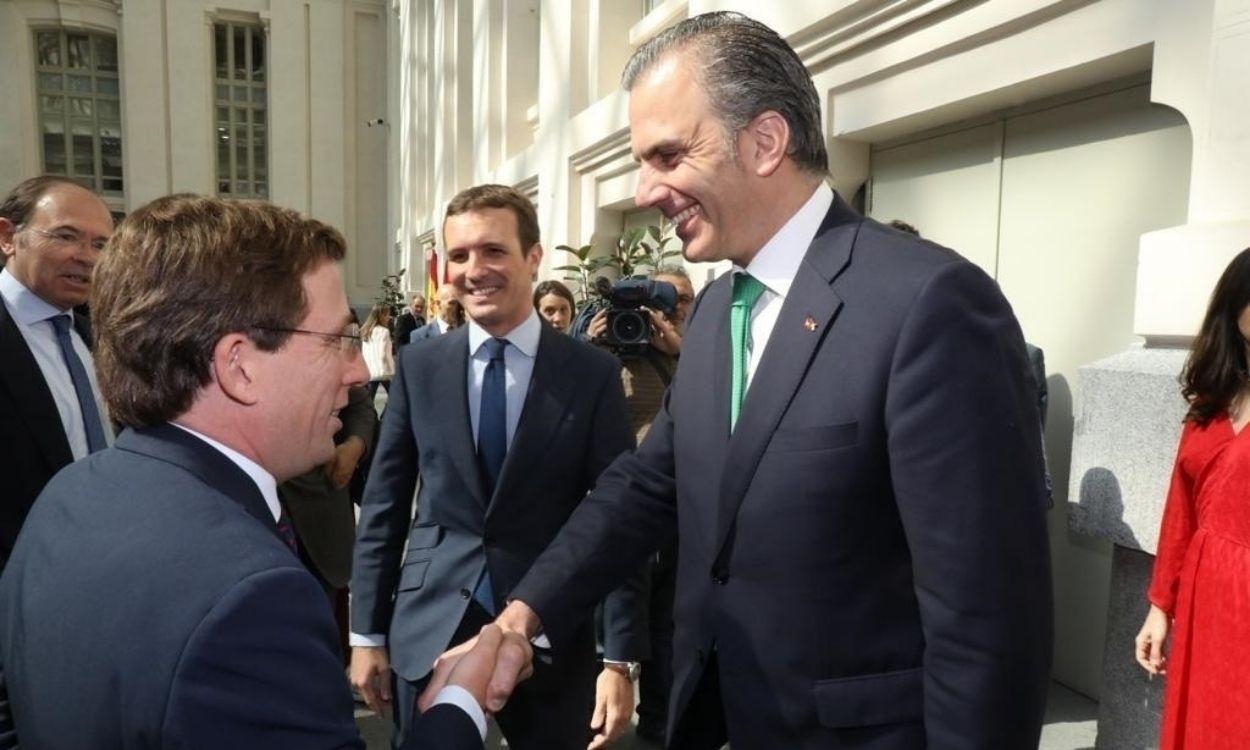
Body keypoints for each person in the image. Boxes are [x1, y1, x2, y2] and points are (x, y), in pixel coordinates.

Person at [430, 12, 1053, 749]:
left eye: (667, 156)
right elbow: (646, 489)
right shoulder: (724, 302)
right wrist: (521, 617)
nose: (646, 188)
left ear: (764, 142)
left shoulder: (930, 306)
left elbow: (985, 623)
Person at [0, 194, 521, 749]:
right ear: (239, 366)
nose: (358, 371)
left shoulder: (67, 494)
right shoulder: (253, 600)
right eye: (340, 340)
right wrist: (460, 700)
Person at [350, 184, 647, 750]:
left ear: (533, 258)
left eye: (492, 251)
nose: (473, 270)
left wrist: (620, 657)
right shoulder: (421, 365)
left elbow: (620, 516)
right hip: (428, 623)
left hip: (551, 628)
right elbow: (385, 505)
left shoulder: (589, 374)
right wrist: (366, 633)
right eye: (458, 255)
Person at [1135, 246, 1250, 749]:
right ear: (1237, 308)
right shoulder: (1212, 399)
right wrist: (1161, 606)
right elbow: (1180, 511)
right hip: (1206, 602)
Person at [0, 176, 114, 572]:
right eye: (67, 236)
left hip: (102, 562)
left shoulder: (98, 339)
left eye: (100, 244)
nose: (87, 257)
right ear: (7, 237)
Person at [362, 303, 395, 398]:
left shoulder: (366, 331)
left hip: (370, 371)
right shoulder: (384, 331)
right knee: (395, 398)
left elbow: (365, 353)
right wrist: (392, 370)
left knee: (369, 400)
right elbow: (383, 355)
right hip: (383, 371)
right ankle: (385, 414)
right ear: (381, 315)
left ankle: (371, 413)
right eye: (387, 314)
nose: (389, 317)